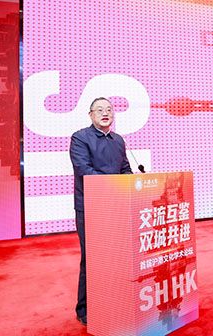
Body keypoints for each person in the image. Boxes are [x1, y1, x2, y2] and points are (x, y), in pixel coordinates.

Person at [69, 97, 132, 325]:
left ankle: (113, 299)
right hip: (90, 207)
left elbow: (125, 169)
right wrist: (116, 185)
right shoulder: (80, 138)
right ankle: (84, 309)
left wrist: (131, 183)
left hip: (116, 206)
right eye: (99, 110)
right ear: (91, 115)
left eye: (109, 110)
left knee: (117, 256)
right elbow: (84, 170)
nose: (105, 113)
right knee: (92, 258)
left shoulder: (118, 140)